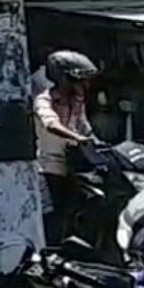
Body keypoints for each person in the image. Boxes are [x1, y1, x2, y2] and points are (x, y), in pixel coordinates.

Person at [34, 50, 97, 244]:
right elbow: (51, 125)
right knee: (54, 219)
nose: (84, 86)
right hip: (47, 168)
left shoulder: (77, 101)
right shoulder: (43, 100)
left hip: (72, 166)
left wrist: (98, 143)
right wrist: (76, 138)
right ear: (64, 80)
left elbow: (84, 127)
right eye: (78, 81)